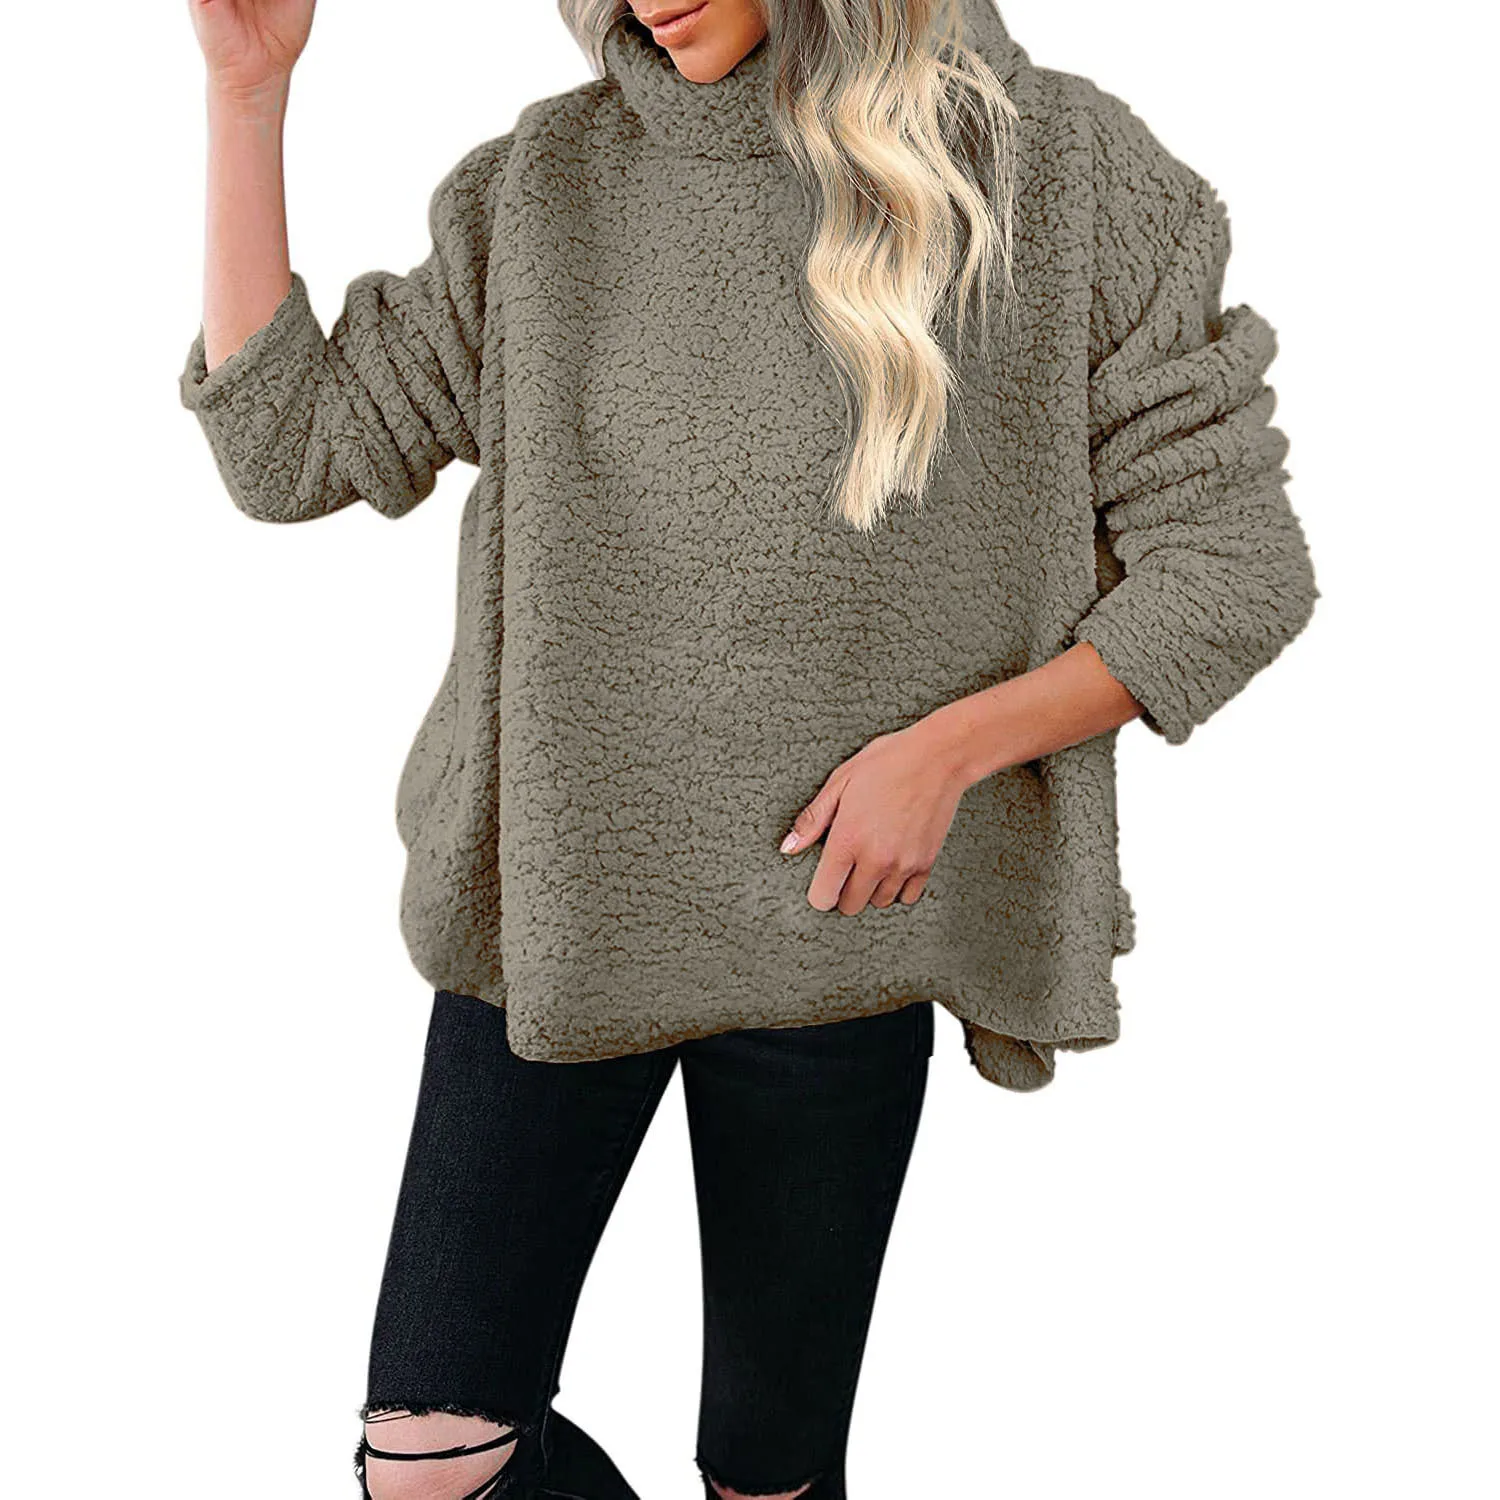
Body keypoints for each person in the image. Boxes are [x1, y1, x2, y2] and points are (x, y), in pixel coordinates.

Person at [179, 0, 1319, 1495]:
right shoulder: (543, 189)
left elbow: (1235, 570)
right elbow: (288, 448)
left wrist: (947, 755)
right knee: (431, 1457)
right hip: (559, 925)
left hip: (839, 927)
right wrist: (247, 96)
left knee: (766, 1480)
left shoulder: (1058, 170)